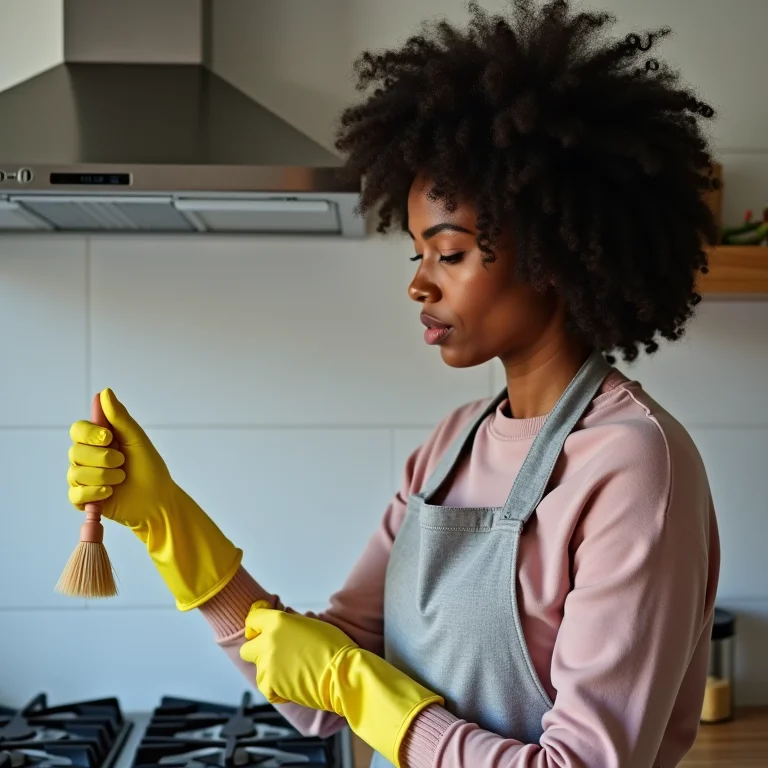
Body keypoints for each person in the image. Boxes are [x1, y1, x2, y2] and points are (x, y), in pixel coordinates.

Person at [65, 2, 722, 766]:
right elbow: (324, 681)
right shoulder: (450, 448)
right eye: (416, 254)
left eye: (448, 253)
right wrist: (173, 528)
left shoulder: (634, 465)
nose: (419, 285)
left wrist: (367, 694)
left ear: (554, 252)